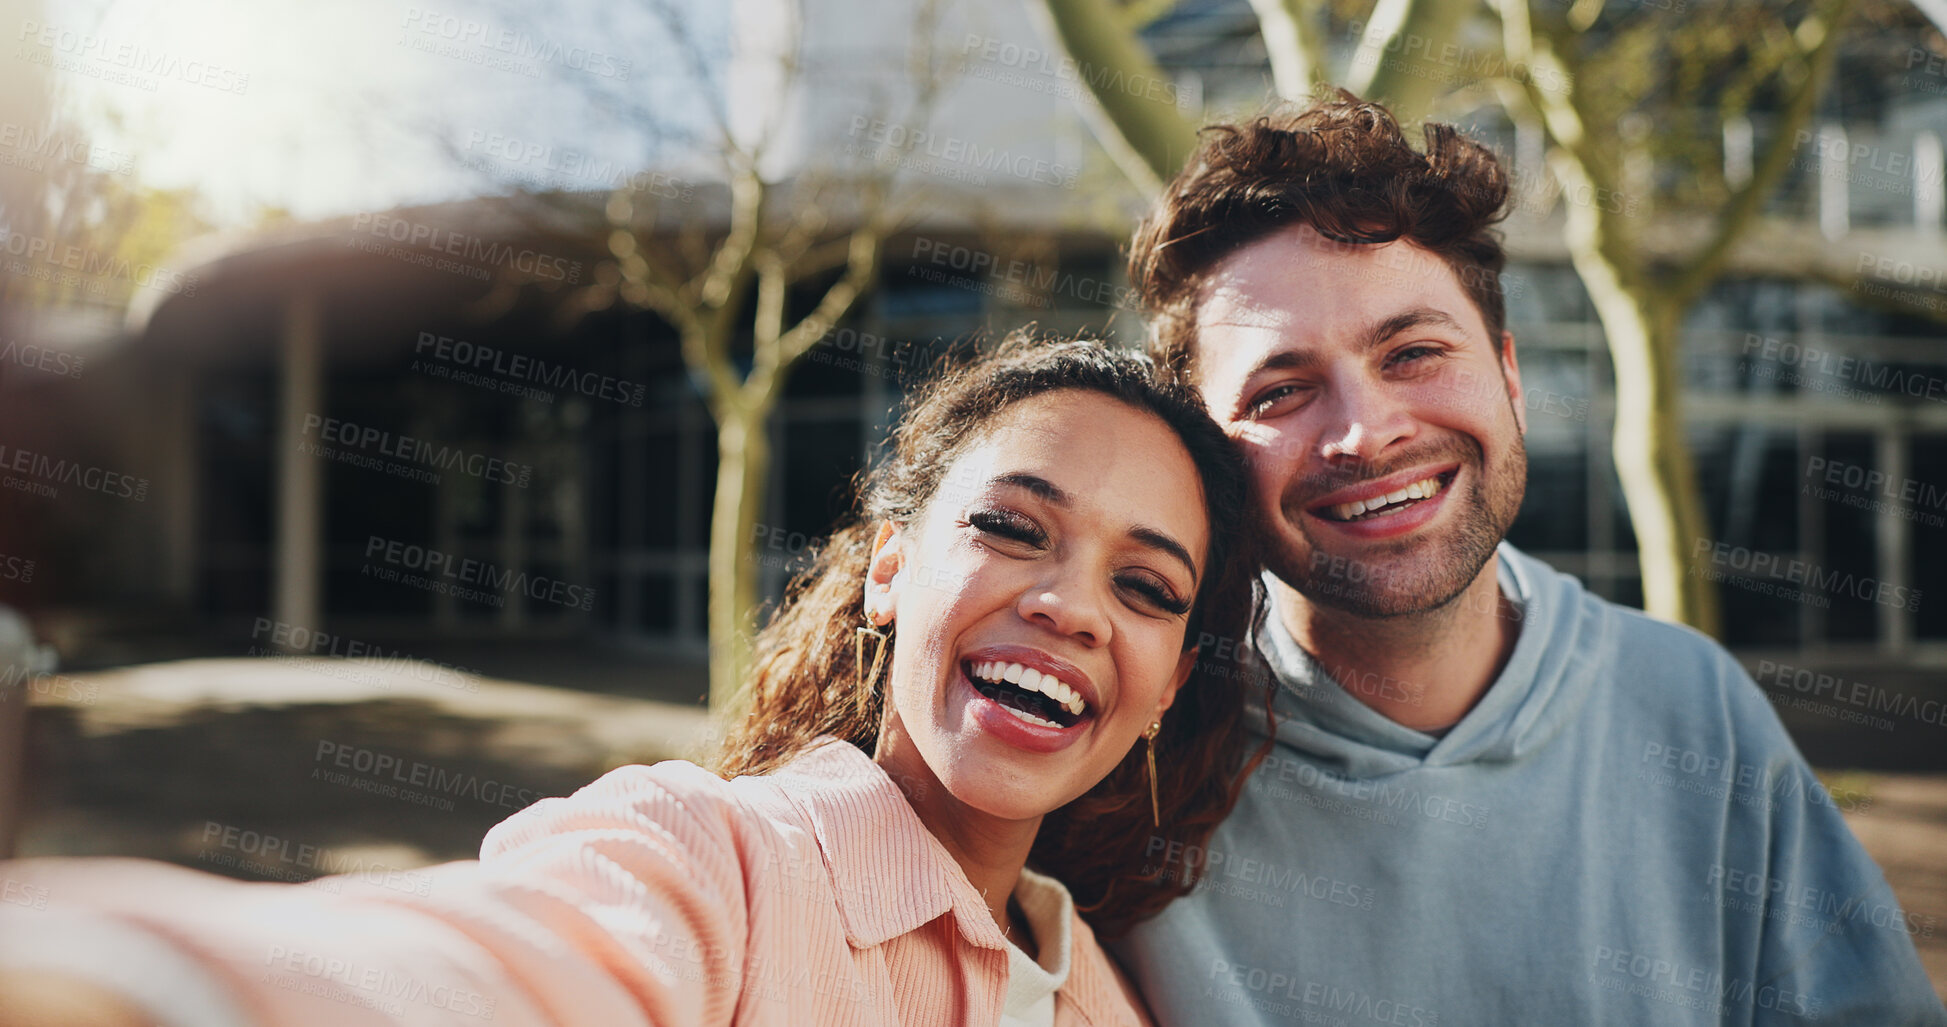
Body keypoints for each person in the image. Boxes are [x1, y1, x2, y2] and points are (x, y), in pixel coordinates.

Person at [0, 335, 1267, 1026]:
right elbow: (491, 968)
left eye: (1147, 588)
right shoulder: (706, 868)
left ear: (1164, 688)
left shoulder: (1097, 994)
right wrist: (126, 981)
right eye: (1013, 528)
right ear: (889, 570)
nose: (1067, 606)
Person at [1109, 94, 1947, 1025]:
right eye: (1280, 391)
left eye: (1414, 351)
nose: (1365, 431)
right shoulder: (1125, 747)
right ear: (1207, 454)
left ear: (1508, 374)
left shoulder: (1692, 708)